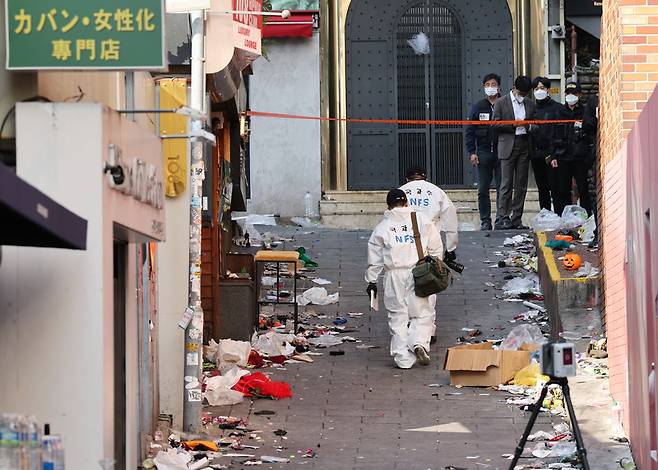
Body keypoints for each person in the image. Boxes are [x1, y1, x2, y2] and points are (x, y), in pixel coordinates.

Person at [365, 189, 444, 369]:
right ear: (407, 203)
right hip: (419, 272)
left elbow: (375, 258)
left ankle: (402, 358)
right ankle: (419, 343)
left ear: (388, 206)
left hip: (394, 275)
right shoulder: (422, 220)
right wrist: (435, 266)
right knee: (422, 312)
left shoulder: (383, 227)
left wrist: (371, 281)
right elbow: (436, 248)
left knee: (397, 315)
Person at [399, 165, 459, 344]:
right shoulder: (437, 192)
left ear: (407, 179)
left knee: (405, 283)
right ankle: (428, 329)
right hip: (430, 245)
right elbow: (451, 221)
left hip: (405, 243)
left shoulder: (400, 192)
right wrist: (451, 247)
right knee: (430, 284)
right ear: (424, 177)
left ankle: (409, 322)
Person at [493, 75, 536, 230]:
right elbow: (495, 124)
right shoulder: (501, 102)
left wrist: (527, 126)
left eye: (525, 94)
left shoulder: (530, 104)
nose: (523, 96)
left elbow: (536, 125)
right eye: (521, 92)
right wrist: (513, 124)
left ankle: (516, 218)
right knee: (506, 184)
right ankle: (502, 218)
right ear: (514, 88)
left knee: (521, 185)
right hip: (507, 145)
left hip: (524, 144)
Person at [465, 73, 502, 230]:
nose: (490, 87)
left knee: (503, 188)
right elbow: (470, 131)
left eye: (493, 84)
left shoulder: (505, 104)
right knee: (483, 189)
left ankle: (501, 219)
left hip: (502, 152)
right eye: (487, 84)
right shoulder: (478, 107)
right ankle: (485, 220)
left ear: (499, 86)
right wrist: (472, 152)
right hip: (483, 152)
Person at [551, 82, 592, 217]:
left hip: (580, 156)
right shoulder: (559, 112)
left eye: (574, 93)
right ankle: (565, 218)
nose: (571, 96)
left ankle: (587, 217)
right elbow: (553, 135)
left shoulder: (585, 111)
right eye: (568, 93)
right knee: (563, 190)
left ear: (579, 95)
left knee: (583, 188)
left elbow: (591, 129)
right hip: (563, 156)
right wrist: (553, 156)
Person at [529, 76, 561, 211]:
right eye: (536, 89)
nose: (539, 91)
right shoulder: (532, 109)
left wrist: (555, 154)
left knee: (556, 187)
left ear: (548, 90)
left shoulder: (557, 108)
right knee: (542, 188)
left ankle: (558, 215)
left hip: (552, 154)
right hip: (536, 154)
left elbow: (560, 132)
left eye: (542, 88)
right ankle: (545, 216)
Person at [582, 93, 599, 248]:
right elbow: (587, 125)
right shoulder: (594, 101)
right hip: (596, 153)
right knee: (595, 193)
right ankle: (598, 233)